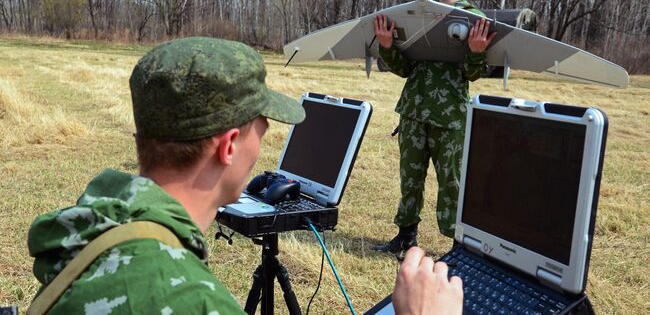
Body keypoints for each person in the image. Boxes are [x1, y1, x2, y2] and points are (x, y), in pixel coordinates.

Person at [27, 37, 462, 314]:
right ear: (229, 146)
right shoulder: (188, 298)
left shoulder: (102, 226)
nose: (266, 140)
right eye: (263, 126)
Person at [373, 0, 496, 254]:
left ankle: (459, 246)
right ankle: (405, 235)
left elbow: (473, 73)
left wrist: (477, 50)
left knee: (452, 181)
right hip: (414, 111)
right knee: (410, 177)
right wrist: (387, 47)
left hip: (451, 116)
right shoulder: (417, 13)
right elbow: (405, 69)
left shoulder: (474, 18)